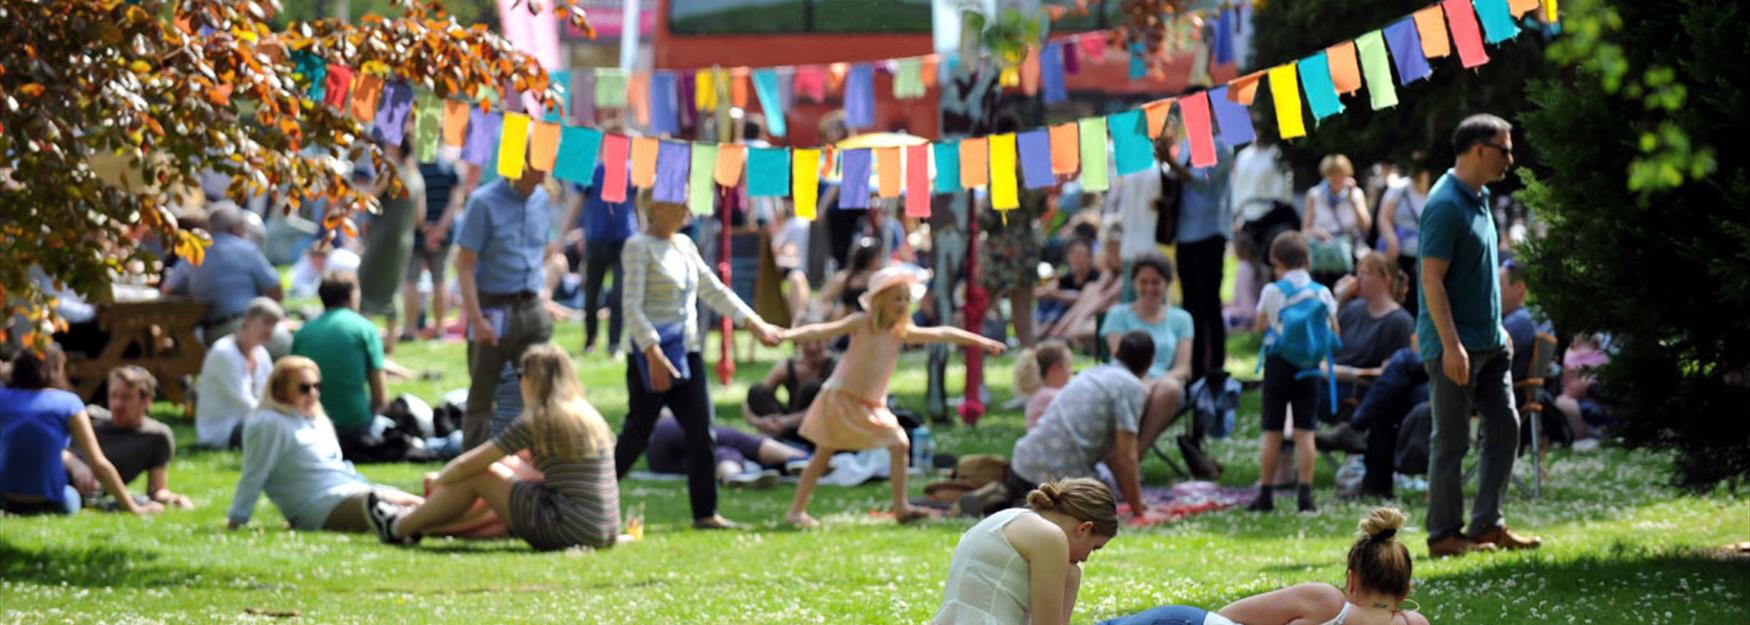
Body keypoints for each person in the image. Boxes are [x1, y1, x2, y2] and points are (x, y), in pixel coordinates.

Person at [781, 265, 1007, 528]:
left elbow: (942, 333)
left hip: (871, 403)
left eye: (905, 299)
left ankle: (901, 507)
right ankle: (796, 511)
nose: (902, 304)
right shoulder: (862, 323)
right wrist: (787, 334)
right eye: (896, 298)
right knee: (823, 455)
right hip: (842, 397)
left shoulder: (900, 331)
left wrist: (980, 342)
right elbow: (822, 331)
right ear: (880, 301)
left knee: (899, 444)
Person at [615, 192, 782, 530]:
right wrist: (652, 352)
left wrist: (754, 323)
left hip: (686, 352)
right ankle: (589, 495)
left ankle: (705, 513)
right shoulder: (637, 247)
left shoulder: (685, 246)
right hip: (652, 356)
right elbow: (631, 307)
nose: (688, 209)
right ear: (656, 208)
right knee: (637, 433)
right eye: (681, 203)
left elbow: (714, 290)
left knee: (701, 431)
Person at [1418, 113, 1541, 557]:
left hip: (1491, 343)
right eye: (1504, 149)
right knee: (1451, 440)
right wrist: (1451, 344)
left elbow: (1479, 276)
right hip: (1455, 347)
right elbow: (1431, 280)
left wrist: (1498, 328)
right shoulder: (1445, 204)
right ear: (1477, 151)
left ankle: (1487, 524)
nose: (1511, 157)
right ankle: (1444, 536)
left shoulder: (1480, 197)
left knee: (1506, 426)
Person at [368, 344, 621, 550]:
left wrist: (438, 482)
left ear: (533, 379)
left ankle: (399, 527)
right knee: (498, 470)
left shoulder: (539, 417)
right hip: (603, 529)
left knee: (480, 474)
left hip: (566, 525)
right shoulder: (587, 415)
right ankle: (417, 521)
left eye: (521, 375)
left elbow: (472, 462)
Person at [1098, 507, 1430, 625]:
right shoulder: (1410, 622)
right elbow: (1222, 620)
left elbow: (1229, 612)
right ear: (1405, 590)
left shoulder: (1328, 601)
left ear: (1351, 580)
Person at [225, 356, 422, 531]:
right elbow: (255, 473)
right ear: (280, 389)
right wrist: (237, 518)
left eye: (317, 386)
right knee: (411, 506)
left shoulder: (316, 420)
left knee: (420, 504)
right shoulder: (269, 423)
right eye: (304, 387)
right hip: (318, 504)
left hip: (347, 490)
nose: (313, 393)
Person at [455, 156, 556, 449]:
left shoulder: (542, 200)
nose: (546, 168)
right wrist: (476, 318)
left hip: (531, 306)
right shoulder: (484, 202)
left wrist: (544, 290)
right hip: (491, 307)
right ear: (521, 162)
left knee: (542, 393)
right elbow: (464, 264)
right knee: (482, 396)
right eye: (540, 160)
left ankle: (535, 464)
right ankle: (471, 474)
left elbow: (544, 251)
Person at [1003, 331, 1156, 521]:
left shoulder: (1094, 373)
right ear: (1150, 363)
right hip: (1052, 485)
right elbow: (1125, 457)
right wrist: (1139, 513)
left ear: (1116, 353)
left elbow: (1115, 458)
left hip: (1020, 466)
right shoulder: (1131, 387)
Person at [933, 478, 1117, 625]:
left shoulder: (1009, 518)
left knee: (1071, 573)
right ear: (1084, 529)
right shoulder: (1050, 537)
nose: (1085, 558)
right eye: (1094, 548)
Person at [1, 348, 160, 516]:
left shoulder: (3, 398)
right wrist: (134, 508)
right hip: (51, 502)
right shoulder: (68, 403)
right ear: (53, 371)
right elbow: (99, 465)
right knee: (74, 496)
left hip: (3, 498)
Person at [1248, 231, 1339, 513]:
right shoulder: (1322, 292)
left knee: (1273, 431)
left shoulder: (1272, 291)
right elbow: (1335, 331)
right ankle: (1306, 495)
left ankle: (1265, 493)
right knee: (1305, 432)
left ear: (1277, 262)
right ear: (1308, 260)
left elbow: (1259, 326)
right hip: (1310, 368)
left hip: (1278, 365)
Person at [1098, 253, 1194, 456]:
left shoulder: (1182, 319)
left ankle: (1132, 457)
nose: (1149, 288)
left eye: (1155, 282)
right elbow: (1118, 356)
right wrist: (1140, 384)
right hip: (1125, 378)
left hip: (1163, 386)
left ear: (1166, 284)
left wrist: (1152, 384)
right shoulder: (1118, 315)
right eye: (1143, 282)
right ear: (1133, 283)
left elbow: (1183, 368)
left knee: (1169, 388)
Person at [163, 203, 289, 353]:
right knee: (285, 343)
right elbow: (276, 291)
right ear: (233, 228)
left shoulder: (194, 253)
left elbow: (168, 289)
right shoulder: (247, 250)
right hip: (246, 327)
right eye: (242, 227)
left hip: (210, 333)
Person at [66, 366, 193, 509]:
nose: (118, 404)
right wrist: (75, 465)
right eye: (114, 396)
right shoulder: (89, 417)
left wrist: (172, 499)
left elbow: (157, 490)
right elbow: (49, 447)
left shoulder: (157, 436)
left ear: (147, 400)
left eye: (126, 397)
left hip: (82, 496)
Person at [1165, 135, 1235, 382]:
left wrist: (1169, 163)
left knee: (1209, 302)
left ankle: (1215, 362)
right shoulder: (1185, 143)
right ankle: (1193, 364)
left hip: (1210, 231)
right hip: (1184, 233)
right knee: (1190, 303)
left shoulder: (1221, 145)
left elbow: (1202, 181)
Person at [290, 272, 386, 443]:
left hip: (311, 425)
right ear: (351, 296)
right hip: (356, 427)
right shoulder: (365, 328)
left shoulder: (303, 333)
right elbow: (380, 396)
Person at [560, 160, 637, 355]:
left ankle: (614, 343)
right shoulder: (593, 170)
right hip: (596, 237)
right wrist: (563, 235)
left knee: (620, 293)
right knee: (592, 292)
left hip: (624, 238)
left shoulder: (631, 169)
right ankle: (590, 340)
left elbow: (637, 204)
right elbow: (577, 201)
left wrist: (643, 234)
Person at [1328, 253, 1416, 417]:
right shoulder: (1353, 308)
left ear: (1386, 279)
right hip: (1330, 380)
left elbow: (1393, 372)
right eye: (1357, 273)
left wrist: (1347, 373)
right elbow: (1326, 341)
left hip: (1359, 390)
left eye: (1365, 274)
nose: (1357, 279)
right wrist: (1339, 300)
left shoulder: (1399, 321)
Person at [357, 146, 424, 349]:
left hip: (383, 239)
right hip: (404, 240)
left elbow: (368, 199)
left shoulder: (391, 173)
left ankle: (363, 340)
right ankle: (391, 342)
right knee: (392, 290)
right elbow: (420, 216)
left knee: (366, 285)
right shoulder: (416, 176)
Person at [402, 156, 471, 341]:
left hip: (416, 233)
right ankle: (440, 330)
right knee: (439, 280)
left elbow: (413, 200)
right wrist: (439, 229)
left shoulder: (413, 167)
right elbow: (455, 201)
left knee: (411, 281)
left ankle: (409, 330)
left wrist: (424, 227)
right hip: (443, 235)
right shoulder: (450, 168)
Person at [195, 297, 280, 448]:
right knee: (278, 428)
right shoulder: (224, 352)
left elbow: (271, 391)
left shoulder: (261, 353)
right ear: (247, 320)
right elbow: (243, 401)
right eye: (266, 322)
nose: (270, 330)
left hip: (253, 419)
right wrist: (279, 415)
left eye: (274, 325)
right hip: (224, 429)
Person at [646, 414, 806, 488]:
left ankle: (734, 476)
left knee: (722, 454)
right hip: (666, 426)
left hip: (659, 461)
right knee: (735, 439)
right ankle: (800, 457)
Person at [742, 334, 837, 447]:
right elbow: (751, 400)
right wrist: (759, 422)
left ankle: (785, 441)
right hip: (788, 426)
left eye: (818, 342)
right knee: (756, 391)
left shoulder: (836, 367)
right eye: (807, 342)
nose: (812, 347)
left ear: (827, 339)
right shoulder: (788, 365)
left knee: (812, 388)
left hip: (819, 425)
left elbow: (832, 407)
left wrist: (786, 421)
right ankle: (784, 439)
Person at [1044, 235, 1125, 349]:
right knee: (1090, 291)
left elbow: (1106, 297)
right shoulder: (1108, 273)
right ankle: (1059, 333)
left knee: (1093, 296)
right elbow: (1091, 295)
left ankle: (1065, 334)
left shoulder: (1123, 275)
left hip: (1107, 318)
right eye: (1111, 252)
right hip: (1086, 316)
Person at [1303, 154, 1372, 287]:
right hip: (1322, 255)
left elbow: (1365, 226)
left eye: (1341, 173)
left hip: (1349, 251)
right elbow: (1304, 230)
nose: (1337, 178)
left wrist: (1352, 201)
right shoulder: (1315, 194)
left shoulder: (1356, 194)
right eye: (1332, 174)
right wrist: (1315, 232)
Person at [1377, 159, 1433, 319]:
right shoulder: (1399, 189)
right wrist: (1391, 240)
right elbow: (1384, 217)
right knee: (1396, 293)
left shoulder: (1435, 192)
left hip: (1422, 257)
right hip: (1398, 255)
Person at [812, 236, 886, 321]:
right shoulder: (844, 278)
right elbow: (822, 300)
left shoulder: (879, 279)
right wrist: (831, 312)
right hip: (844, 322)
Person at [1035, 238, 1100, 330]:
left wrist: (1059, 295)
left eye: (1082, 255)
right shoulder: (1067, 277)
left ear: (1090, 258)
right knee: (1044, 303)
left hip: (1079, 316)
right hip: (1060, 316)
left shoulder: (1096, 277)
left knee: (1061, 305)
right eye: (1075, 255)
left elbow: (1087, 298)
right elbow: (1048, 290)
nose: (1078, 259)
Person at [1015, 340, 1074, 429]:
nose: (1071, 372)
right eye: (1068, 366)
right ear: (1054, 369)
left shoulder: (1042, 393)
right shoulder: (1048, 396)